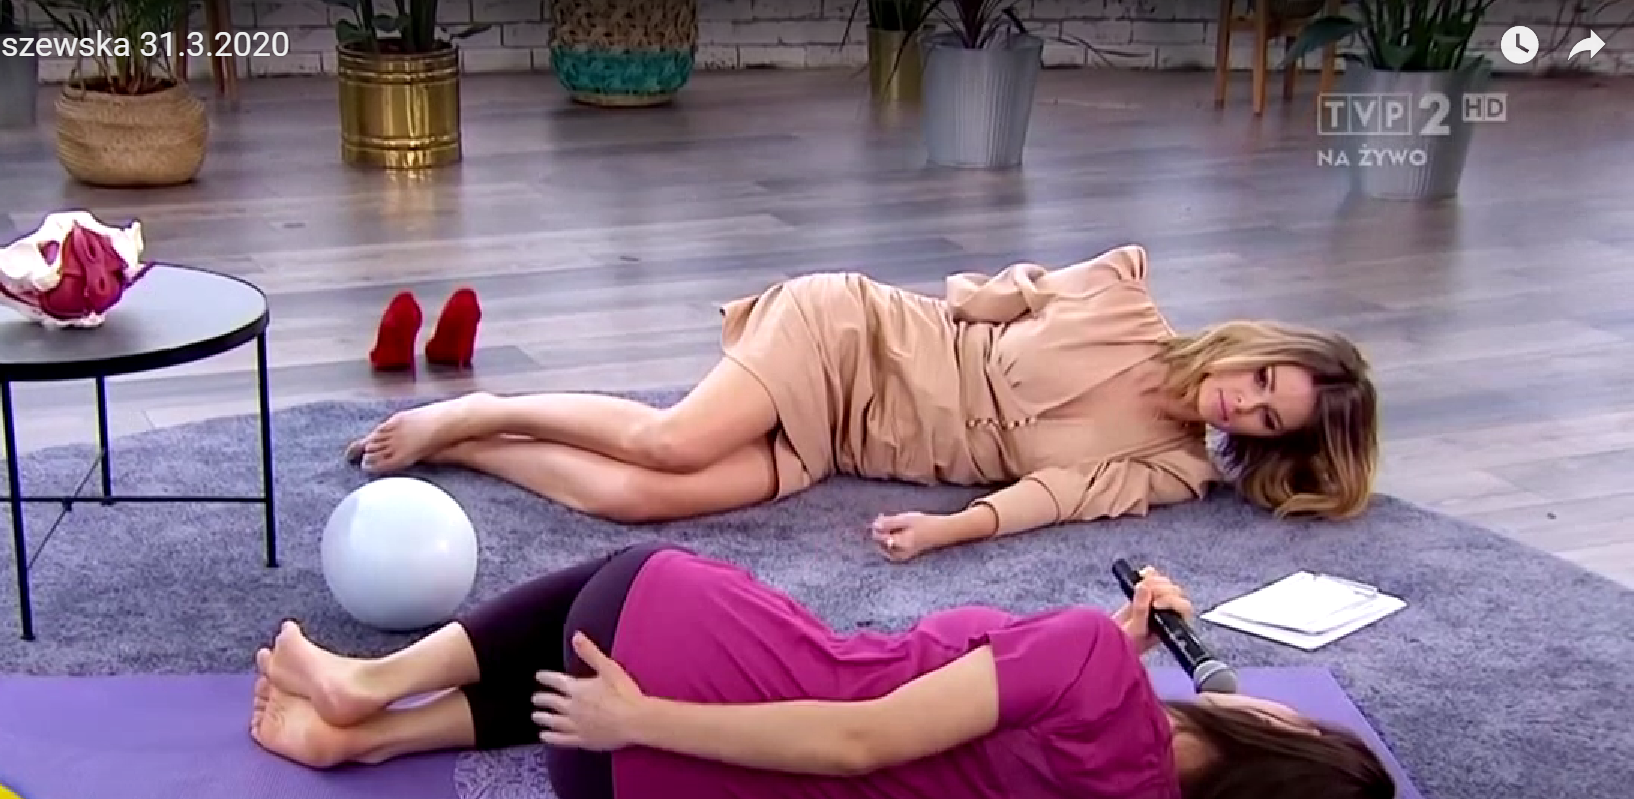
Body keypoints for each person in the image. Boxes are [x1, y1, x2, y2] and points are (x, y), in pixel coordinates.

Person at [249, 543, 1445, 799]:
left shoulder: (1085, 661)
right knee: (591, 669)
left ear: (1275, 746)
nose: (1291, 707)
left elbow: (862, 741)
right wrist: (1127, 654)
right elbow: (1052, 741)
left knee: (625, 584)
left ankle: (371, 684)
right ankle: (368, 741)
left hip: (661, 709)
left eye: (1301, 725)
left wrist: (641, 720)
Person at [348, 245, 1378, 562]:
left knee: (636, 501)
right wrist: (1010, 296)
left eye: (1266, 420)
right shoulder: (1121, 289)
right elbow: (980, 297)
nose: (1241, 402)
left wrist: (949, 529)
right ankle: (477, 409)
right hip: (859, 334)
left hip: (855, 442)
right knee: (670, 442)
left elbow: (1056, 498)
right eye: (1262, 379)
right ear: (1257, 344)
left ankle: (470, 450)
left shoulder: (1176, 469)